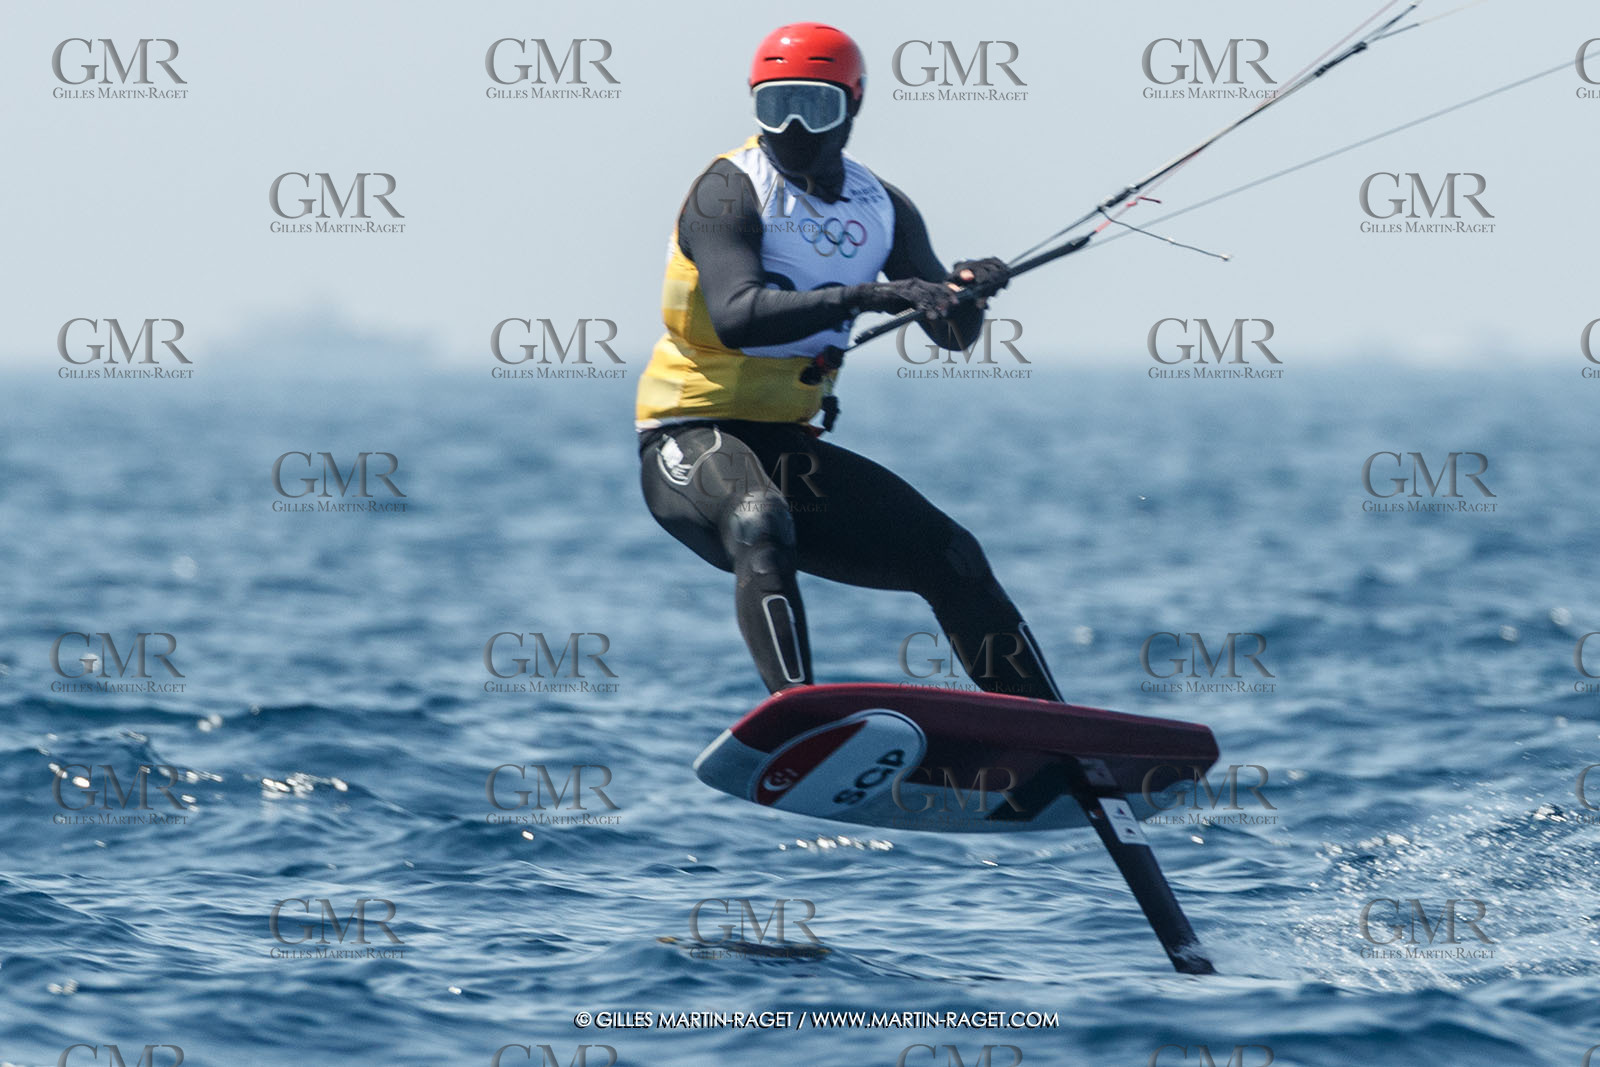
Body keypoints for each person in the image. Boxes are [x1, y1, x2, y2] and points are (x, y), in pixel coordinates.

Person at [636, 22, 1063, 702]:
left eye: (817, 105)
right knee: (757, 519)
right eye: (777, 106)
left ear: (853, 106)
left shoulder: (884, 207)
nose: (796, 126)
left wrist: (965, 290)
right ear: (755, 106)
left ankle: (1052, 740)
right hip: (689, 436)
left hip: (789, 445)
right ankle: (796, 714)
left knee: (953, 556)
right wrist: (873, 293)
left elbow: (950, 333)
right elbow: (739, 315)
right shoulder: (727, 192)